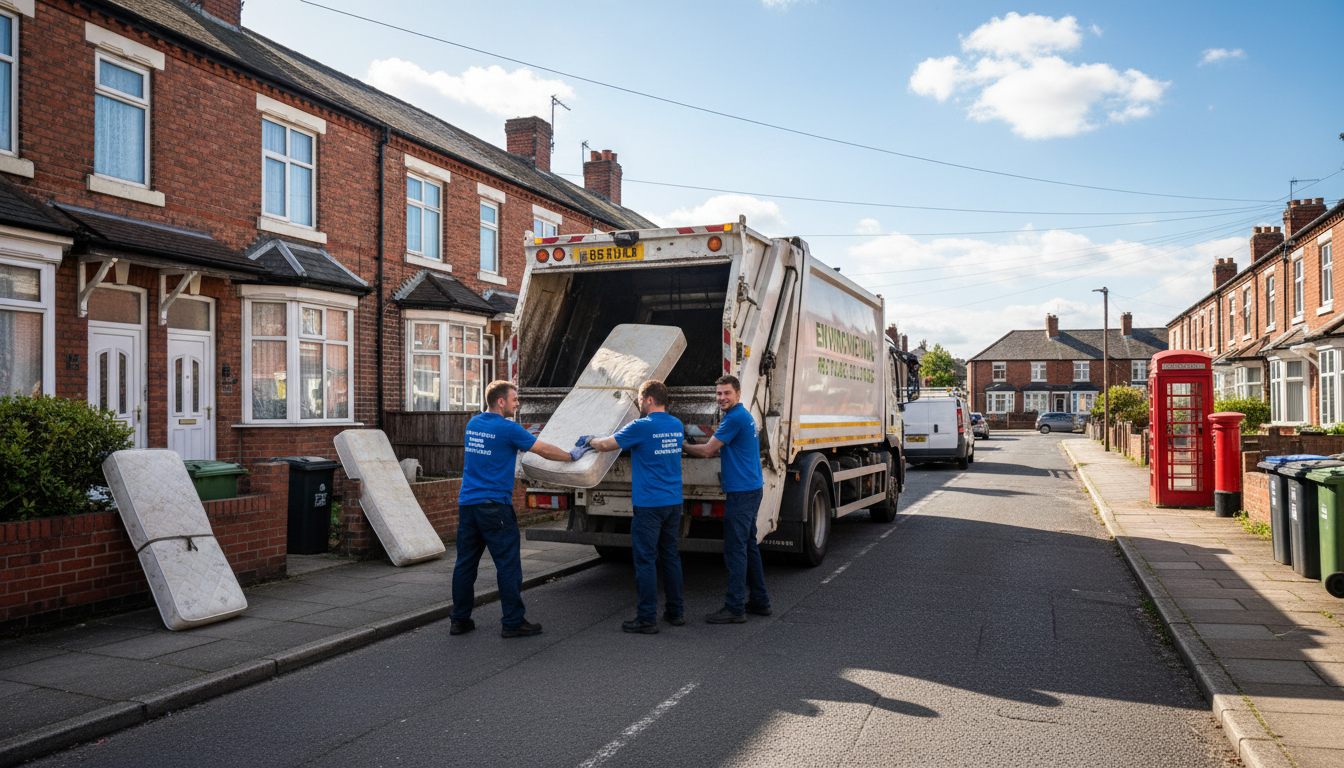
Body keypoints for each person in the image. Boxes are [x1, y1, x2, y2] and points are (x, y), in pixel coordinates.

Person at [450, 380, 588, 638]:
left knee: (465, 564)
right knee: (508, 565)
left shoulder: (473, 424)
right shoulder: (508, 428)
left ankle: (459, 620)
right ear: (501, 401)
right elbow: (542, 449)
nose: (517, 403)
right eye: (514, 399)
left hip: (468, 504)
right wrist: (571, 455)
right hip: (495, 507)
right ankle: (513, 622)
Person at [578, 380, 685, 634]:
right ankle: (676, 612)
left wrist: (590, 439)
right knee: (670, 556)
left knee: (645, 560)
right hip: (673, 502)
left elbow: (606, 445)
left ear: (649, 399)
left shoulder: (641, 426)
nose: (638, 404)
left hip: (649, 505)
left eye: (639, 399)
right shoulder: (676, 425)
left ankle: (646, 618)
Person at [684, 374, 771, 624]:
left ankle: (734, 608)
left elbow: (708, 451)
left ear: (738, 394)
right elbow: (717, 446)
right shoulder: (742, 415)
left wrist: (683, 445)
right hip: (750, 489)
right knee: (748, 546)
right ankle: (760, 600)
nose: (722, 398)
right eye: (719, 393)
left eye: (727, 393)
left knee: (735, 549)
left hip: (742, 493)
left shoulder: (734, 418)